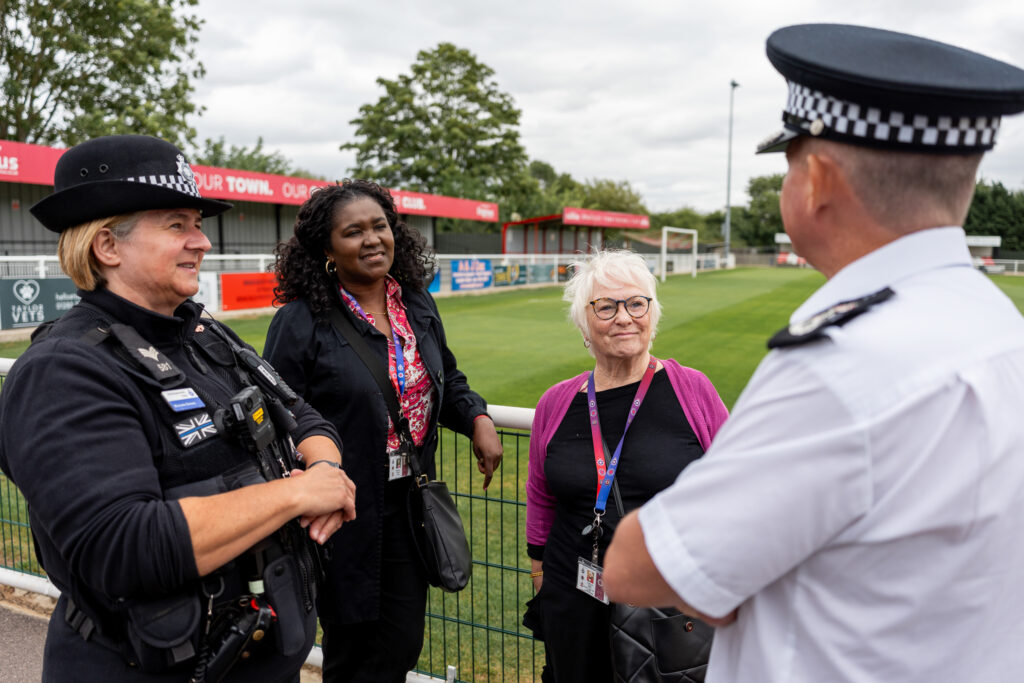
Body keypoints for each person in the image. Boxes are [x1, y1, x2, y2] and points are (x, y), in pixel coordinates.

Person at [603, 24, 1024, 683]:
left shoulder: (844, 366)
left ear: (820, 178)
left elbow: (638, 565)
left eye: (792, 160)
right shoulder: (998, 323)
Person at [0, 135, 357, 682]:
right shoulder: (64, 370)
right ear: (107, 247)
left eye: (197, 223)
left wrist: (326, 469)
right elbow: (121, 545)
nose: (202, 242)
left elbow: (301, 415)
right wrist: (294, 493)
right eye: (177, 225)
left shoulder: (203, 333)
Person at [263, 179, 503, 682]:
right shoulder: (301, 322)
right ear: (328, 250)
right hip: (342, 510)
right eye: (354, 232)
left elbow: (448, 378)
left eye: (379, 226)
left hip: (408, 504)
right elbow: (278, 413)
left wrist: (476, 417)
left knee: (401, 644)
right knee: (355, 652)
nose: (372, 239)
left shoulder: (416, 303)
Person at [524, 249, 729, 682]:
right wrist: (540, 574)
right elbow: (541, 496)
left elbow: (733, 487)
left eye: (637, 303)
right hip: (573, 592)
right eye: (607, 306)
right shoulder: (556, 402)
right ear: (584, 321)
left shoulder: (692, 389)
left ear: (652, 313)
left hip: (666, 596)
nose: (624, 317)